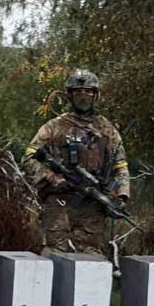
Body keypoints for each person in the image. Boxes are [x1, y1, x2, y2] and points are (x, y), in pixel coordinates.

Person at [23, 69, 130, 257]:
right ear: (69, 95)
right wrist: (52, 178)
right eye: (78, 91)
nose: (83, 95)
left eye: (88, 91)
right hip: (59, 201)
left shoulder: (107, 129)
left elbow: (120, 166)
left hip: (92, 205)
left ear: (95, 95)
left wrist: (120, 197)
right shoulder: (54, 126)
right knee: (53, 254)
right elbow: (29, 158)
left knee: (91, 257)